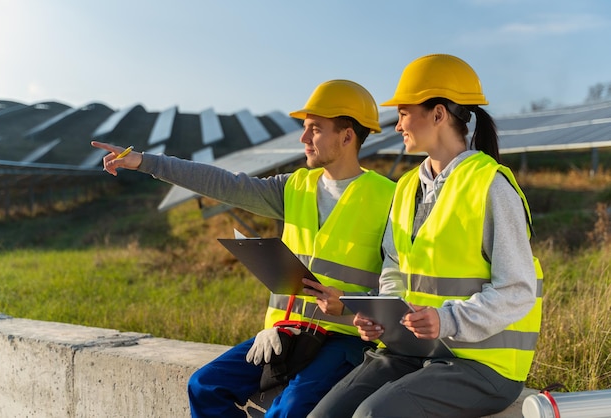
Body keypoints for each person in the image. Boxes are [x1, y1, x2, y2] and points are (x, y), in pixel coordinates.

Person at [91, 79, 396, 418]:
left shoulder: (389, 197)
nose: (303, 138)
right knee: (204, 386)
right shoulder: (294, 186)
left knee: (289, 409)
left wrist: (349, 304)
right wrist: (145, 162)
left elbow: (400, 280)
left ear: (347, 135)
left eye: (315, 129)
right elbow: (224, 183)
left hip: (345, 339)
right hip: (286, 331)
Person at [308, 54, 544, 418]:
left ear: (438, 115)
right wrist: (380, 313)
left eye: (404, 112)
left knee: (373, 414)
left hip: (481, 365)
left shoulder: (491, 187)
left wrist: (447, 320)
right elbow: (394, 266)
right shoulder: (405, 188)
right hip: (415, 351)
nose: (398, 124)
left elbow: (518, 289)